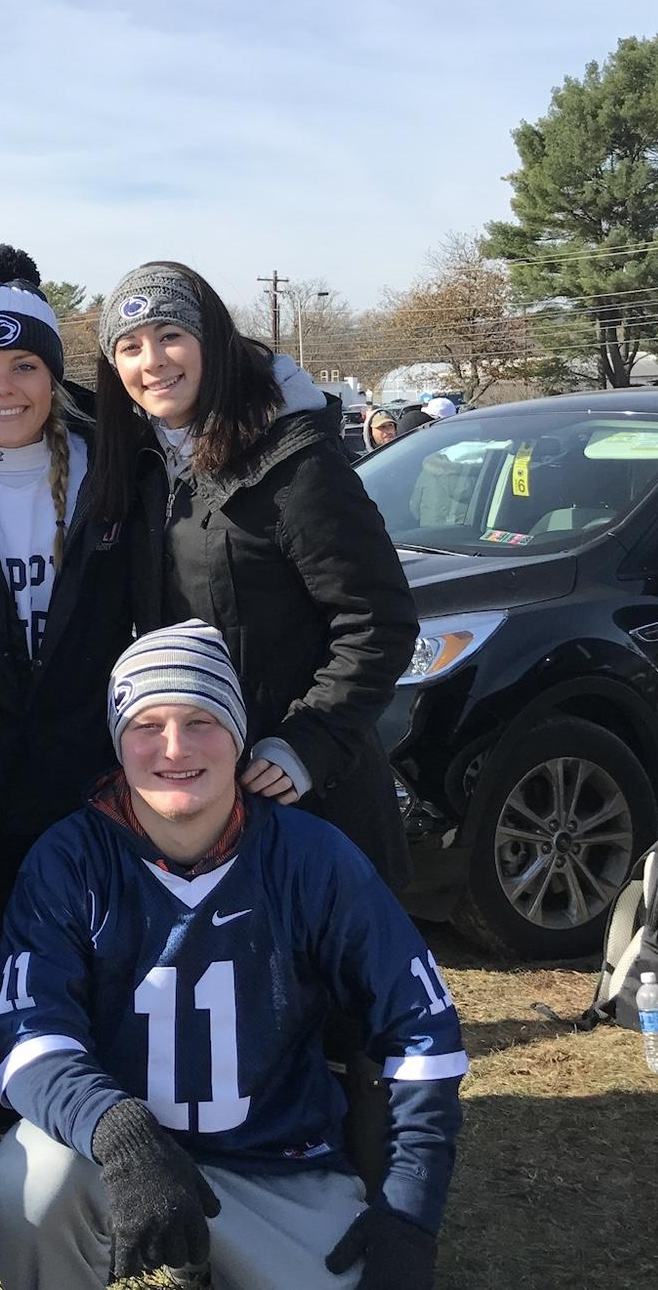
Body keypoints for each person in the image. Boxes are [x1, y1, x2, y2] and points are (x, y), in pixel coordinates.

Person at [0, 623, 467, 1290]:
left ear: (238, 734)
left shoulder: (310, 857)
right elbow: (30, 1039)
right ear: (118, 741)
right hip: (116, 1156)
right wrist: (117, 1132)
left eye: (201, 720)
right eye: (147, 724)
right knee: (27, 1188)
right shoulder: (70, 861)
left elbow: (423, 1028)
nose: (174, 748)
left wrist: (409, 1210)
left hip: (276, 1164)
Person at [91, 261, 418, 890]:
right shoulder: (145, 467)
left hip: (307, 807)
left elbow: (378, 621)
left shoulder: (294, 463)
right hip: (193, 802)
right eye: (129, 347)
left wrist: (308, 743)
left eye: (171, 336)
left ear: (212, 342)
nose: (152, 360)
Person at [0, 245, 132, 1145]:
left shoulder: (113, 468)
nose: (5, 389)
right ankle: (10, 1134)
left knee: (101, 964)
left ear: (53, 373)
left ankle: (113, 1132)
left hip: (90, 778)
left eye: (25, 366)